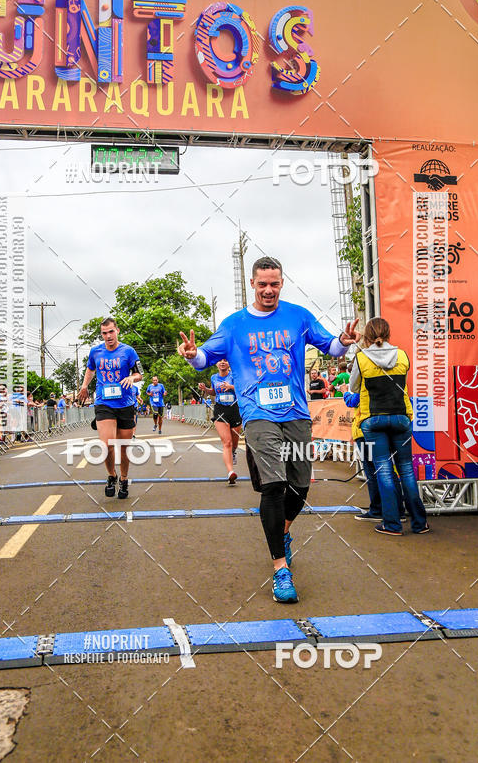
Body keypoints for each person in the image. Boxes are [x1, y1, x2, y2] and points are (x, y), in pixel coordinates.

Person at [179, 255, 359, 603]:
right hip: (257, 413)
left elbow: (330, 345)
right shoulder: (234, 325)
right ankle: (280, 569)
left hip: (296, 412)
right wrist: (192, 354)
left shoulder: (298, 316)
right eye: (262, 284)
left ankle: (284, 531)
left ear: (281, 283)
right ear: (252, 284)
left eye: (274, 284)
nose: (268, 290)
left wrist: (344, 339)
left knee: (300, 485)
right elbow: (203, 358)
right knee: (274, 485)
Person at [349, 317, 429, 535]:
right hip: (401, 417)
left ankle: (392, 524)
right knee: (406, 470)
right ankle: (419, 523)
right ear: (388, 333)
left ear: (367, 335)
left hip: (373, 419)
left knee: (383, 471)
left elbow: (354, 387)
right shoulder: (402, 355)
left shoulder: (361, 358)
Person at [78, 317, 143, 500]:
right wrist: (84, 386)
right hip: (104, 402)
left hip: (125, 403)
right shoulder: (95, 352)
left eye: (111, 332)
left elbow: (139, 373)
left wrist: (132, 378)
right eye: (104, 333)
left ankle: (124, 479)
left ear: (117, 331)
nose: (108, 336)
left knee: (123, 447)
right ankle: (112, 475)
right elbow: (90, 369)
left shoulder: (128, 351)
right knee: (107, 445)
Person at [343, 390, 405, 522]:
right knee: (389, 471)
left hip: (367, 431)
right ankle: (398, 510)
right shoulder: (391, 384)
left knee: (373, 472)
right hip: (386, 429)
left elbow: (353, 401)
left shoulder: (367, 382)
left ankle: (378, 510)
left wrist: (344, 392)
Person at [198, 359, 242, 484]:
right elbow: (214, 392)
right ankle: (230, 472)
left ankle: (233, 452)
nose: (222, 362)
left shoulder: (234, 375)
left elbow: (242, 389)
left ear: (229, 363)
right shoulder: (214, 377)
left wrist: (230, 387)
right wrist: (205, 389)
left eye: (225, 360)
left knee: (234, 441)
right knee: (227, 442)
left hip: (234, 408)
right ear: (216, 364)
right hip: (220, 409)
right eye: (220, 361)